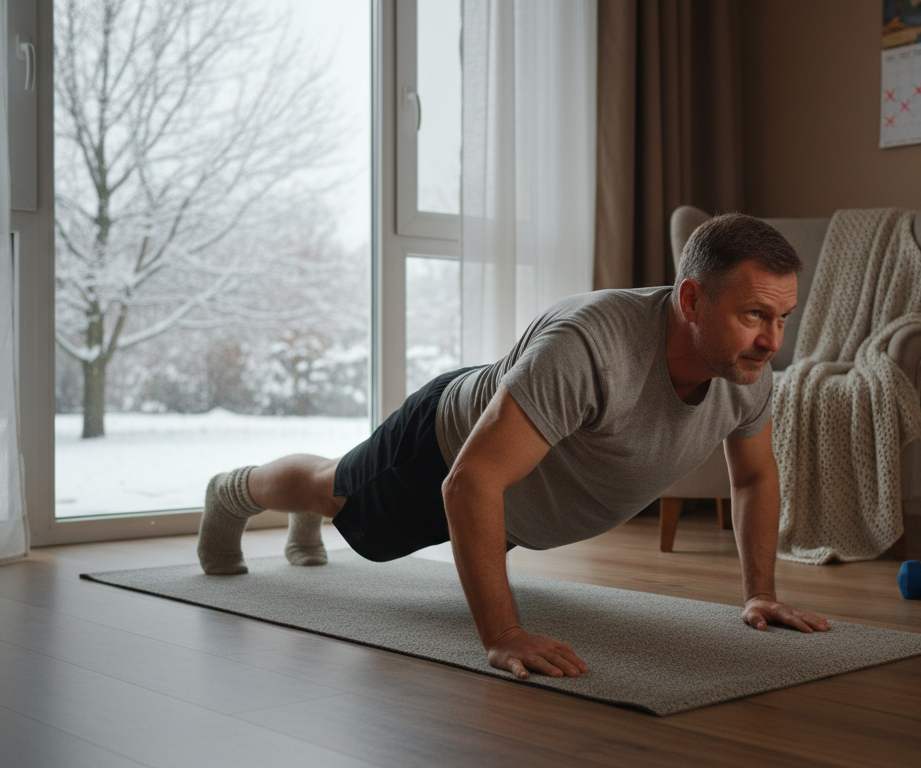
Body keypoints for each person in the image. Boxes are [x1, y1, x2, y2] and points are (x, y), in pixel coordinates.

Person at [196, 213, 832, 680]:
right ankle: (234, 490)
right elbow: (469, 484)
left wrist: (760, 592)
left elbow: (753, 477)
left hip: (516, 487)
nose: (773, 340)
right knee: (338, 495)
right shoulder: (591, 347)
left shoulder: (748, 375)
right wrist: (502, 635)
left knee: (405, 505)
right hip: (445, 449)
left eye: (783, 317)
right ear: (692, 298)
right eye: (754, 314)